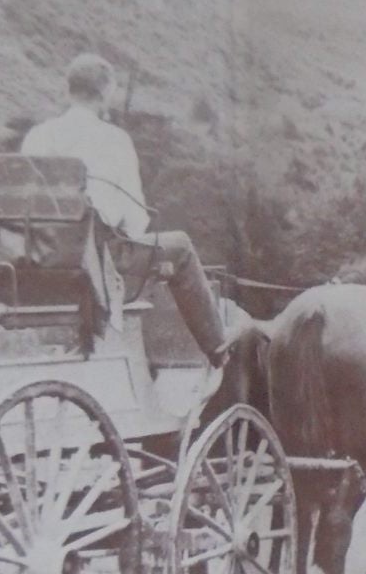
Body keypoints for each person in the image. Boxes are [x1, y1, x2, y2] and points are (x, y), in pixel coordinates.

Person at [20, 52, 229, 366]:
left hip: (38, 252)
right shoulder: (114, 140)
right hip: (97, 254)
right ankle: (220, 351)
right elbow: (135, 222)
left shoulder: (37, 136)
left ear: (68, 90)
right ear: (105, 93)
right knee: (181, 248)